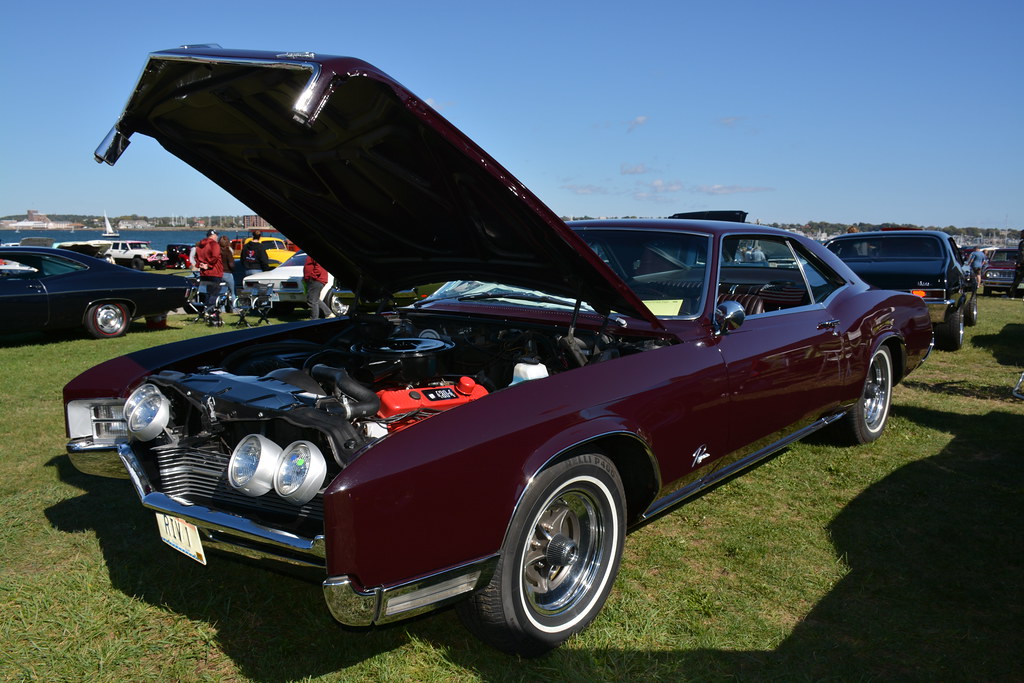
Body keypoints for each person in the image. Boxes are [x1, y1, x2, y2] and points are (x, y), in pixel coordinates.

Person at [194, 229, 224, 324]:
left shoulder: (200, 245)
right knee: (214, 293)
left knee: (206, 293)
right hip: (214, 272)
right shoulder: (214, 245)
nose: (217, 237)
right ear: (213, 235)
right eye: (216, 235)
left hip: (204, 273)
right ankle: (211, 312)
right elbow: (215, 257)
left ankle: (207, 312)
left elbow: (196, 257)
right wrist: (209, 265)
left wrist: (200, 264)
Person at [303, 255, 333, 320]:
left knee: (312, 300)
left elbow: (319, 267)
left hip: (316, 280)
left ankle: (314, 320)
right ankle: (328, 313)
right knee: (314, 299)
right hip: (315, 279)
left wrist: (312, 276)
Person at [218, 235, 236, 312]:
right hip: (227, 273)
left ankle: (222, 309)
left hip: (219, 273)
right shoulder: (228, 252)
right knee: (232, 292)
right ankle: (234, 308)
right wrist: (233, 268)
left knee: (221, 292)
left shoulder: (217, 252)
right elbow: (231, 264)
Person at [1008, 229, 1024, 299]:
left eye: (1022, 234)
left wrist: (1019, 262)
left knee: (1017, 280)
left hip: (1022, 265)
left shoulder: (1022, 243)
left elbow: (1022, 254)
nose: (1021, 235)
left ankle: (1012, 295)